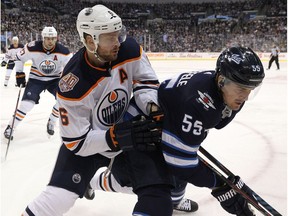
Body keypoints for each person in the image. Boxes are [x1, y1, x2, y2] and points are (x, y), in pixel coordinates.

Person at [21, 5, 175, 216]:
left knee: (162, 178)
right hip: (91, 144)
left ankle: (93, 181)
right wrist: (115, 137)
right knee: (56, 201)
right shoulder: (72, 84)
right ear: (91, 40)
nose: (118, 42)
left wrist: (152, 106)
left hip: (126, 128)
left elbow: (146, 82)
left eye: (119, 34)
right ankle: (87, 179)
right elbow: (76, 142)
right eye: (111, 38)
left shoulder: (129, 49)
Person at [86, 46, 265, 216]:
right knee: (151, 184)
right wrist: (220, 185)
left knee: (181, 167)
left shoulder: (219, 91)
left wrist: (220, 183)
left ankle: (176, 201)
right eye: (241, 89)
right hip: (138, 130)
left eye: (251, 89)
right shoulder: (200, 103)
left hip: (162, 125)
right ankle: (90, 181)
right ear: (221, 80)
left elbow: (187, 153)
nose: (246, 96)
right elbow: (181, 163)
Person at [4, 26, 72, 140]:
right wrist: (19, 73)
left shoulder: (64, 52)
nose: (50, 41)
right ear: (43, 38)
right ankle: (10, 127)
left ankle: (52, 121)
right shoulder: (32, 47)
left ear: (56, 38)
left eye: (53, 38)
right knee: (27, 104)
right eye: (47, 38)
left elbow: (72, 68)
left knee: (64, 100)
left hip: (54, 80)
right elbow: (18, 58)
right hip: (36, 79)